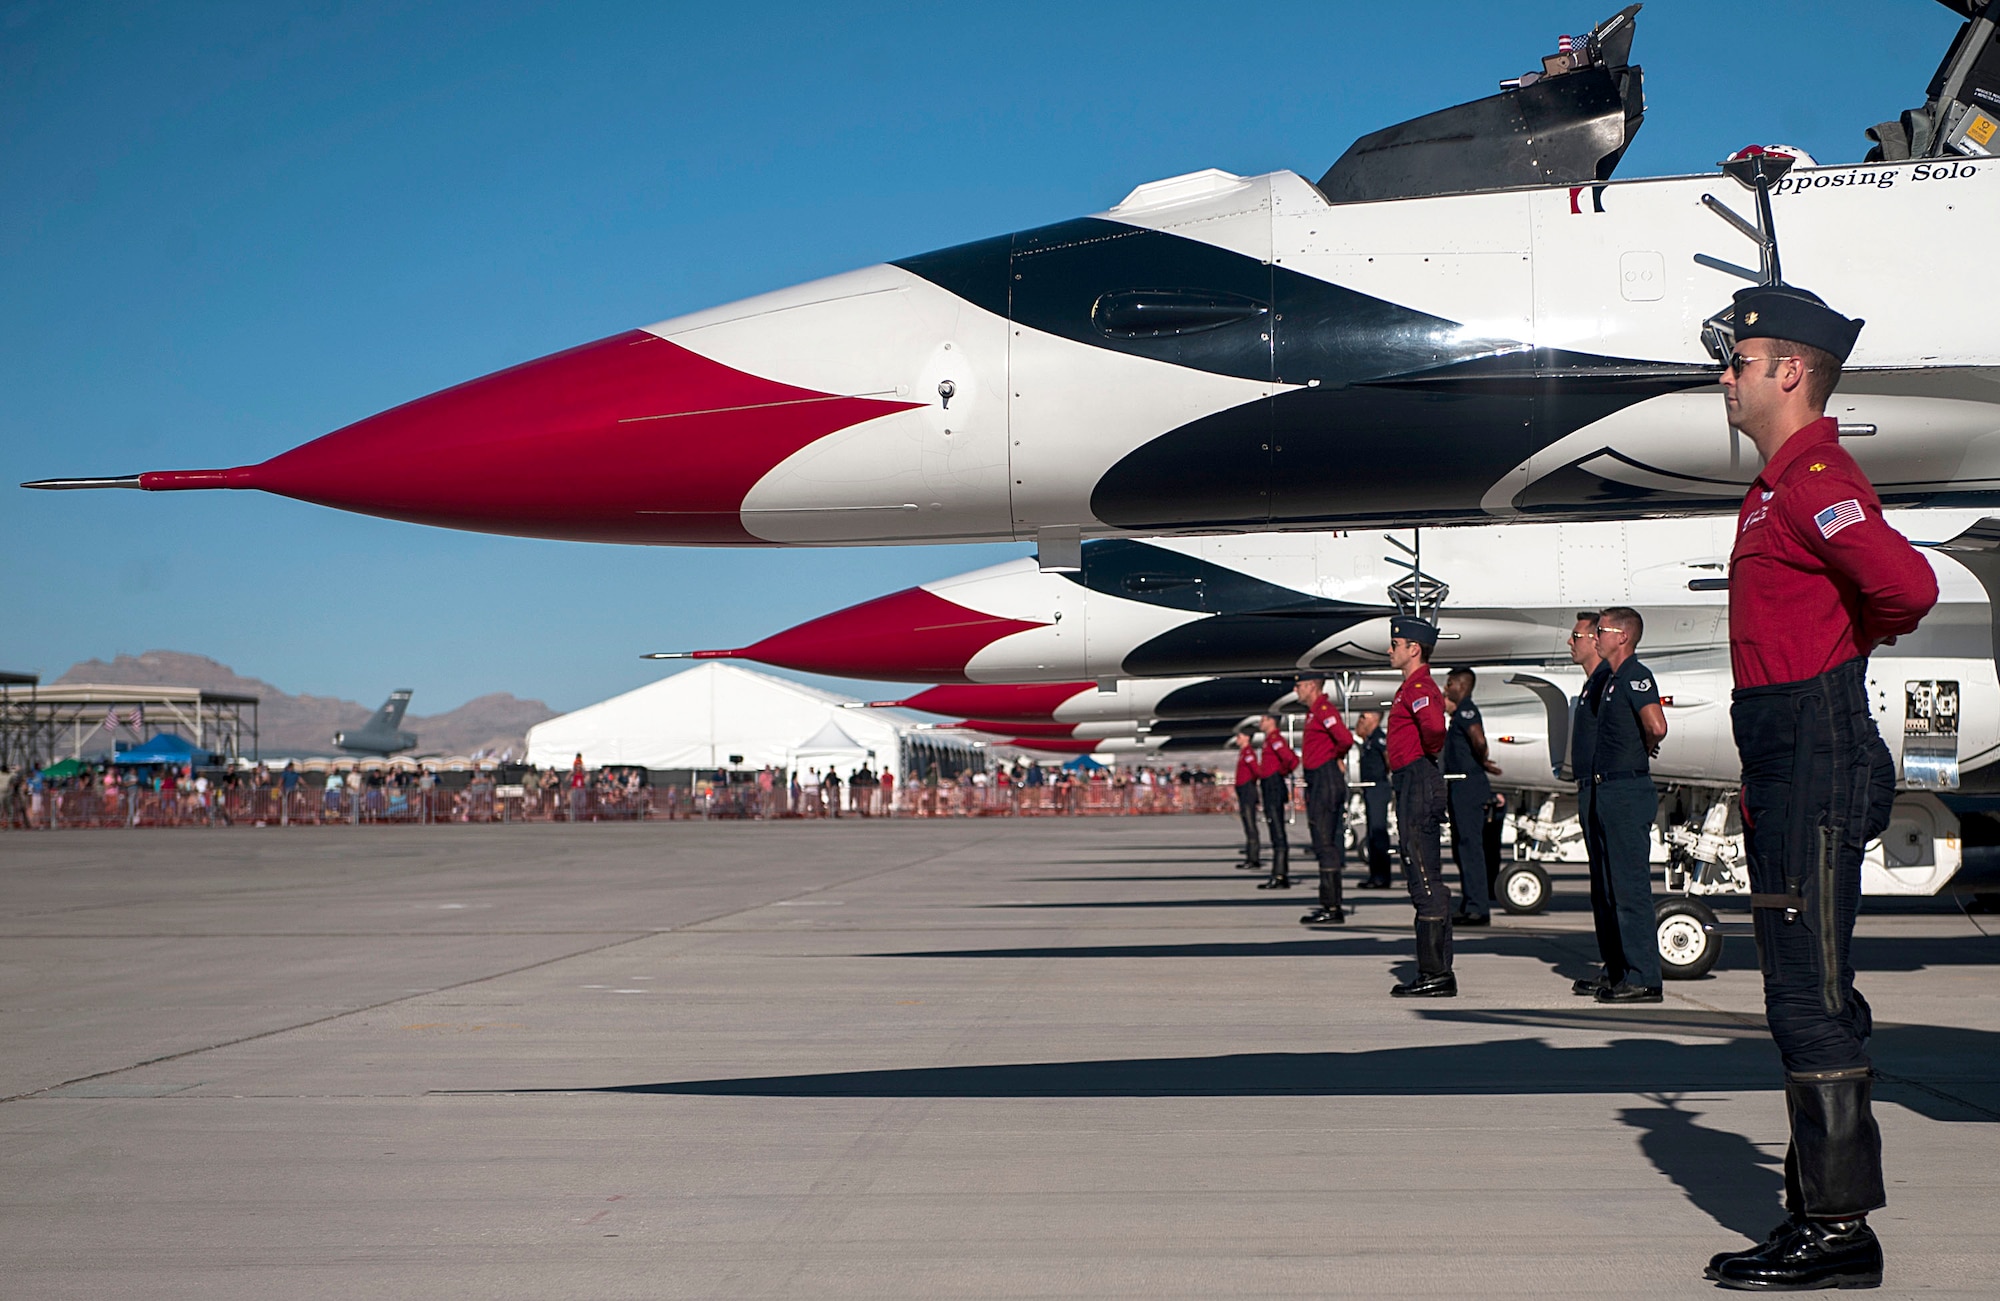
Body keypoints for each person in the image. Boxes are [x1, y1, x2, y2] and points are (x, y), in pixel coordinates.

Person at [1702, 284, 1936, 1292]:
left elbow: (1907, 586)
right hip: (1783, 747)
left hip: (1813, 738)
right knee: (1802, 981)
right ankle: (1814, 1210)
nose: (1726, 376)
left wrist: (1844, 651)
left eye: (1740, 361)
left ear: (1786, 371)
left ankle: (1839, 1230)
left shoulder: (1811, 476)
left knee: (1806, 990)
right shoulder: (1773, 486)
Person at [1583, 606, 1668, 1004]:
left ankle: (1644, 977)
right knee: (1611, 888)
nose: (1595, 636)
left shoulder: (1636, 675)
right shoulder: (1613, 679)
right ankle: (1620, 971)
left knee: (1631, 889)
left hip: (1626, 793)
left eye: (1601, 630)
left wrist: (1643, 750)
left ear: (1623, 637)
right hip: (1607, 791)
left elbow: (1657, 725)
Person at [1385, 616, 1453, 997]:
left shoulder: (1419, 686)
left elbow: (1434, 730)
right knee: (1420, 870)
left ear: (1414, 649)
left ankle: (1435, 973)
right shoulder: (1409, 687)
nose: (1390, 650)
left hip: (1417, 781)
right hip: (1409, 780)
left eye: (1396, 644)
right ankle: (1437, 969)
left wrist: (1424, 757)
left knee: (1424, 876)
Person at [1563, 611, 1622, 997]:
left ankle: (1621, 968)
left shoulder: (1606, 682)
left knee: (1613, 885)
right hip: (1589, 789)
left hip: (1604, 790)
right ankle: (1612, 965)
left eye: (1578, 635)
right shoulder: (1592, 684)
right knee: (1600, 886)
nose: (1573, 642)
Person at [1294, 673, 1355, 925]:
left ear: (1311, 686)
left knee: (1325, 841)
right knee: (1321, 841)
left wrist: (1335, 757)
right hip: (1318, 779)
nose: (1296, 690)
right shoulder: (1315, 711)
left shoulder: (1323, 709)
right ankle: (1328, 903)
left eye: (1298, 685)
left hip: (1325, 778)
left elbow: (1345, 739)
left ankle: (1332, 906)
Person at [1441, 668, 1500, 927]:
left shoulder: (1467, 710)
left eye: (1450, 683)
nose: (1446, 688)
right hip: (1459, 786)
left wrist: (1482, 758)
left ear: (1461, 685)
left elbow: (1478, 739)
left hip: (1468, 787)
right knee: (1461, 849)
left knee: (1470, 848)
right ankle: (1469, 903)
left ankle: (1478, 908)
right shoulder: (1459, 713)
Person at [1251, 714, 1298, 890]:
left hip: (1273, 785)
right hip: (1269, 784)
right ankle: (1278, 873)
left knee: (1278, 831)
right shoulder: (1269, 740)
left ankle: (1280, 875)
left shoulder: (1275, 739)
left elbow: (1291, 759)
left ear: (1272, 721)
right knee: (1274, 830)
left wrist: (1279, 773)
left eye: (1263, 720)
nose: (1260, 723)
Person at [1352, 710, 1393, 888]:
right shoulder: (1368, 739)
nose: (1360, 720)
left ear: (1374, 719)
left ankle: (1382, 877)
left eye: (1363, 717)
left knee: (1378, 833)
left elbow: (1389, 759)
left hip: (1378, 788)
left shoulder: (1379, 738)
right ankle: (1375, 874)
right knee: (1371, 834)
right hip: (1370, 790)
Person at [1230, 726, 1262, 870]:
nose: (1237, 739)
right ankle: (1251, 855)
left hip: (1248, 790)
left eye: (1239, 736)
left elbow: (1256, 770)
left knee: (1250, 824)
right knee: (1247, 824)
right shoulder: (1244, 753)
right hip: (1243, 790)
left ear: (1247, 737)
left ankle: (1253, 858)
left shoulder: (1249, 753)